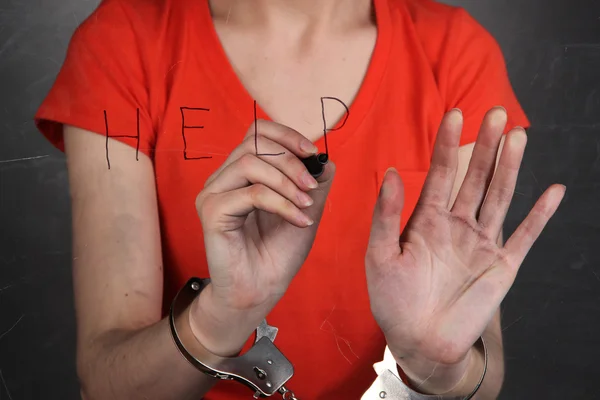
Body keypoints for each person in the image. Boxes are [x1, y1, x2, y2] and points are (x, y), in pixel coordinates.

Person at [34, 0, 564, 398]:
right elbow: (107, 380)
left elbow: (482, 369)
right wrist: (220, 316)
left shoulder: (456, 51)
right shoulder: (123, 40)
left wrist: (434, 365)